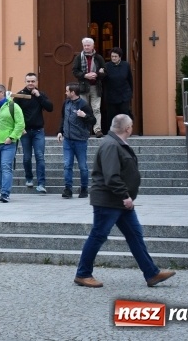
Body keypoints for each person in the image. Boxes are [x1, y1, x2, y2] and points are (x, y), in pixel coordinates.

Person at [74, 114, 176, 288]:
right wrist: (125, 196)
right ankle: (83, 274)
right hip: (109, 200)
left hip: (118, 201)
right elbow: (111, 176)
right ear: (128, 128)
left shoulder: (116, 143)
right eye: (131, 126)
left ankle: (151, 273)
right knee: (98, 235)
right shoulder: (111, 145)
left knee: (135, 235)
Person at [15, 73, 53, 193]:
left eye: (33, 81)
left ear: (36, 82)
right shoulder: (20, 95)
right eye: (28, 81)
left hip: (38, 131)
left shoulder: (40, 94)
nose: (30, 83)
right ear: (25, 82)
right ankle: (29, 178)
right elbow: (13, 112)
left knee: (40, 156)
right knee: (27, 157)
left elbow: (50, 108)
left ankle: (41, 183)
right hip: (25, 132)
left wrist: (39, 96)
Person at [57, 83, 96, 199]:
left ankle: (84, 188)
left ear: (73, 92)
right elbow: (63, 118)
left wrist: (84, 116)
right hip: (68, 140)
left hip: (80, 140)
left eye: (67, 91)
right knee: (67, 165)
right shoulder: (66, 103)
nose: (65, 93)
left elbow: (93, 121)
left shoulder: (83, 105)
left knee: (82, 166)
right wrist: (60, 131)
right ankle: (68, 189)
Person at [72, 37, 105, 138]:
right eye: (85, 45)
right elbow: (75, 71)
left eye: (88, 45)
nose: (86, 47)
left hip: (96, 87)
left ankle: (97, 130)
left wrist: (96, 74)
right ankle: (84, 129)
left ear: (93, 46)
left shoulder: (98, 58)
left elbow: (104, 71)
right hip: (83, 87)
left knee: (96, 109)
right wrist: (85, 75)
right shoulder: (79, 57)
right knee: (83, 108)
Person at [103, 47, 133, 134]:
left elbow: (130, 79)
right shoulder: (107, 66)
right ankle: (112, 132)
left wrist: (131, 93)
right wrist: (101, 73)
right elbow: (103, 80)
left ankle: (126, 131)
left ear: (120, 57)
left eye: (115, 56)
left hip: (124, 94)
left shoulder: (126, 65)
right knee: (111, 114)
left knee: (124, 113)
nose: (114, 58)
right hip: (111, 94)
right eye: (112, 56)